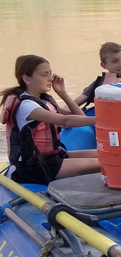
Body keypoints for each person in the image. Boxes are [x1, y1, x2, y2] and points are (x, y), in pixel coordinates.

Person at [1, 55, 100, 184]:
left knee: (107, 153)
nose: (50, 78)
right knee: (107, 162)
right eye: (44, 74)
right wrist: (104, 119)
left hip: (52, 158)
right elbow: (66, 121)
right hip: (34, 167)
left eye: (50, 73)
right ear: (26, 78)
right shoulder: (27, 106)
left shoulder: (42, 100)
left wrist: (63, 93)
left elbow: (81, 118)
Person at [75, 42, 121, 108]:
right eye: (115, 61)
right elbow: (75, 103)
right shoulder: (99, 83)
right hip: (108, 116)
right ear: (104, 65)